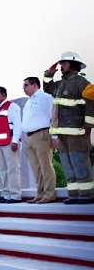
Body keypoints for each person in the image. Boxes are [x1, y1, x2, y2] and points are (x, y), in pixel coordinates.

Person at [43, 51, 94, 204]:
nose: (60, 67)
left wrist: (88, 126)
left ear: (72, 66)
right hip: (62, 132)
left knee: (79, 162)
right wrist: (49, 74)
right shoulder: (60, 84)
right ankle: (74, 195)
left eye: (63, 64)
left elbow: (91, 105)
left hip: (77, 132)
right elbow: (47, 88)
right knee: (67, 164)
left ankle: (87, 195)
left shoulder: (81, 82)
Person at [22, 77, 56, 204]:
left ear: (35, 85)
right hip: (29, 137)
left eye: (26, 85)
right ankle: (40, 193)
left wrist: (54, 137)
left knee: (45, 165)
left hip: (42, 135)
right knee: (36, 167)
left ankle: (49, 194)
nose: (23, 88)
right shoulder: (29, 101)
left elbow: (53, 117)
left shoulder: (45, 97)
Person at [0, 86, 23, 204]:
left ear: (4, 95)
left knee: (13, 169)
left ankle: (15, 195)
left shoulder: (12, 106)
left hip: (10, 143)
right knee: (2, 170)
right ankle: (7, 194)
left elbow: (17, 124)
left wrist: (15, 141)